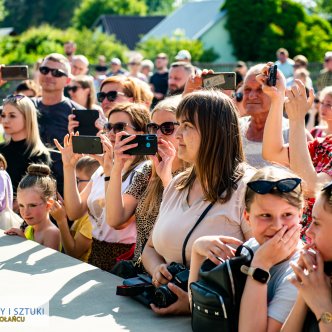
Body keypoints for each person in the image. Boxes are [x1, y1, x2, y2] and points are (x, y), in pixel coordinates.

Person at [141, 90, 255, 315]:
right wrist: (157, 270)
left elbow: (262, 266)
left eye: (187, 126)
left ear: (214, 132)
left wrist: (194, 304)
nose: (178, 134)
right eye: (178, 125)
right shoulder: (177, 184)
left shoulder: (247, 189)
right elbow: (150, 248)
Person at [189, 166, 303, 330]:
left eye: (287, 215)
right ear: (248, 218)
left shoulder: (298, 271)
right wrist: (197, 252)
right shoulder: (249, 249)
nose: (277, 226)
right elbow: (200, 311)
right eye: (265, 215)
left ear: (300, 215)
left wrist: (260, 266)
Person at [55, 103, 151, 271]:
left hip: (125, 257)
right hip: (96, 253)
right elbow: (75, 211)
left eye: (120, 127)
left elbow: (116, 222)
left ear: (141, 133)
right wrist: (68, 166)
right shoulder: (102, 167)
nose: (112, 133)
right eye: (109, 126)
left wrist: (109, 169)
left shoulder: (144, 170)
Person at [106, 96, 185, 266]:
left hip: (174, 274)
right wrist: (117, 166)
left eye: (167, 128)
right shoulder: (148, 170)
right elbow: (115, 219)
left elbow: (182, 221)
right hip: (140, 272)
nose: (158, 134)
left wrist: (166, 178)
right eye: (153, 127)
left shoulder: (194, 175)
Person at [261, 64, 332, 240]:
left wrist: (297, 119)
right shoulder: (324, 145)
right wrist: (277, 99)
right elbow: (272, 152)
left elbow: (312, 187)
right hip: (301, 244)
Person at [281, 181, 332, 332]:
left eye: (316, 223)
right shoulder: (322, 274)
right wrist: (305, 291)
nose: (308, 232)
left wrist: (323, 307)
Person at [50, 156, 99, 262]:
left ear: (93, 182)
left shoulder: (92, 217)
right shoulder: (83, 210)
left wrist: (61, 221)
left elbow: (73, 253)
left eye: (78, 180)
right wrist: (65, 212)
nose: (74, 185)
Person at [0, 94, 51, 196]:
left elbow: (35, 195)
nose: (5, 120)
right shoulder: (1, 149)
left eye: (12, 115)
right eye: (3, 115)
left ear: (27, 118)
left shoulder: (39, 155)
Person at [68, 75, 153, 133]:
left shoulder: (145, 130)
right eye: (101, 96)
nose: (105, 101)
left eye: (112, 95)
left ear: (131, 99)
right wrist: (74, 138)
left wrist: (108, 132)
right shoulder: (97, 126)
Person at [32, 53, 85, 147]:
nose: (49, 75)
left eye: (57, 72)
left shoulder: (78, 113)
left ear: (68, 81)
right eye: (44, 70)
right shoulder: (26, 105)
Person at [5, 164, 61, 251]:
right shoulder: (29, 229)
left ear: (48, 204)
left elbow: (46, 264)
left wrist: (23, 242)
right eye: (21, 205)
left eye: (32, 205)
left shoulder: (51, 233)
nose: (25, 212)